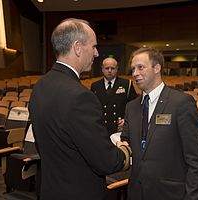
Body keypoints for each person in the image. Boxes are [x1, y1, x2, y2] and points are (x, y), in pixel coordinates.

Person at [28, 18, 131, 200]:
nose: (97, 53)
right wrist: (124, 151)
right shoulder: (81, 97)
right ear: (77, 47)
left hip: (50, 191)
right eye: (93, 46)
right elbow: (106, 162)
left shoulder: (40, 87)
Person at [118, 47, 198, 200]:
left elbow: (196, 161)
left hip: (170, 193)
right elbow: (126, 140)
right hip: (137, 192)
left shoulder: (181, 103)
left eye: (141, 67)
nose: (134, 73)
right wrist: (122, 145)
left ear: (157, 68)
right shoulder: (131, 107)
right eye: (133, 69)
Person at [91, 57, 137, 135]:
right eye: (107, 68)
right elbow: (92, 108)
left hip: (120, 129)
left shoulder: (126, 84)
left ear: (117, 69)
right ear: (102, 69)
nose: (109, 71)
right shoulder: (95, 86)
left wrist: (127, 120)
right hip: (101, 129)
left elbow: (134, 106)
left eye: (112, 68)